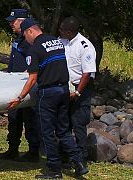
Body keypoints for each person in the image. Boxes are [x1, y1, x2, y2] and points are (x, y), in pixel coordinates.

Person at [8, 18, 88, 179]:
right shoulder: (56, 42)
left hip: (48, 93)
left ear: (30, 31)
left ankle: (54, 171)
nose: (26, 40)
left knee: (47, 133)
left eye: (25, 35)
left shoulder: (35, 49)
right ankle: (79, 163)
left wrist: (20, 98)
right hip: (64, 90)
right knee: (63, 130)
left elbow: (32, 79)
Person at [0, 9, 40, 162]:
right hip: (13, 86)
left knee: (30, 120)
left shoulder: (30, 41)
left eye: (13, 21)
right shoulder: (18, 39)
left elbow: (34, 65)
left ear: (22, 21)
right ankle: (12, 149)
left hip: (26, 86)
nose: (10, 24)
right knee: (14, 120)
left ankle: (33, 151)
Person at [59, 16, 96, 165]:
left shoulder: (85, 46)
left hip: (80, 87)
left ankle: (81, 157)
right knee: (64, 122)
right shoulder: (62, 41)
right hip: (65, 86)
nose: (59, 32)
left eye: (61, 30)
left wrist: (78, 92)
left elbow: (87, 73)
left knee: (79, 123)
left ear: (69, 32)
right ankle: (65, 154)